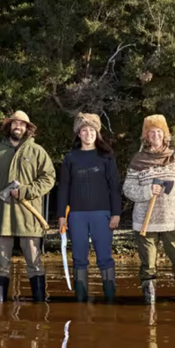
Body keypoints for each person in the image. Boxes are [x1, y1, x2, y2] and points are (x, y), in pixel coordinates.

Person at [0, 111, 56, 303]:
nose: (18, 127)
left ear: (27, 128)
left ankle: (40, 307)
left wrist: (26, 191)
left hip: (30, 217)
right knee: (1, 264)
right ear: (9, 126)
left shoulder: (37, 151)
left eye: (22, 124)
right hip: (1, 217)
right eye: (15, 123)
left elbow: (49, 179)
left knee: (35, 263)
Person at [123, 114, 175, 304]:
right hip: (145, 223)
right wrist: (147, 191)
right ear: (145, 137)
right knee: (148, 265)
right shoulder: (138, 160)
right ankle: (150, 305)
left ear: (165, 135)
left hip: (172, 220)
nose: (155, 135)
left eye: (158, 132)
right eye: (151, 132)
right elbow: (128, 189)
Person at [57, 113, 121, 302]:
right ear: (78, 134)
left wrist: (116, 213)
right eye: (84, 130)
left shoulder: (106, 157)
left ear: (97, 132)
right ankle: (80, 299)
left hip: (102, 214)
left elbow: (114, 187)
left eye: (91, 130)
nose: (88, 133)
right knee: (79, 258)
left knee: (104, 257)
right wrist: (61, 215)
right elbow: (64, 188)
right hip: (76, 215)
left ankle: (110, 300)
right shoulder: (70, 158)